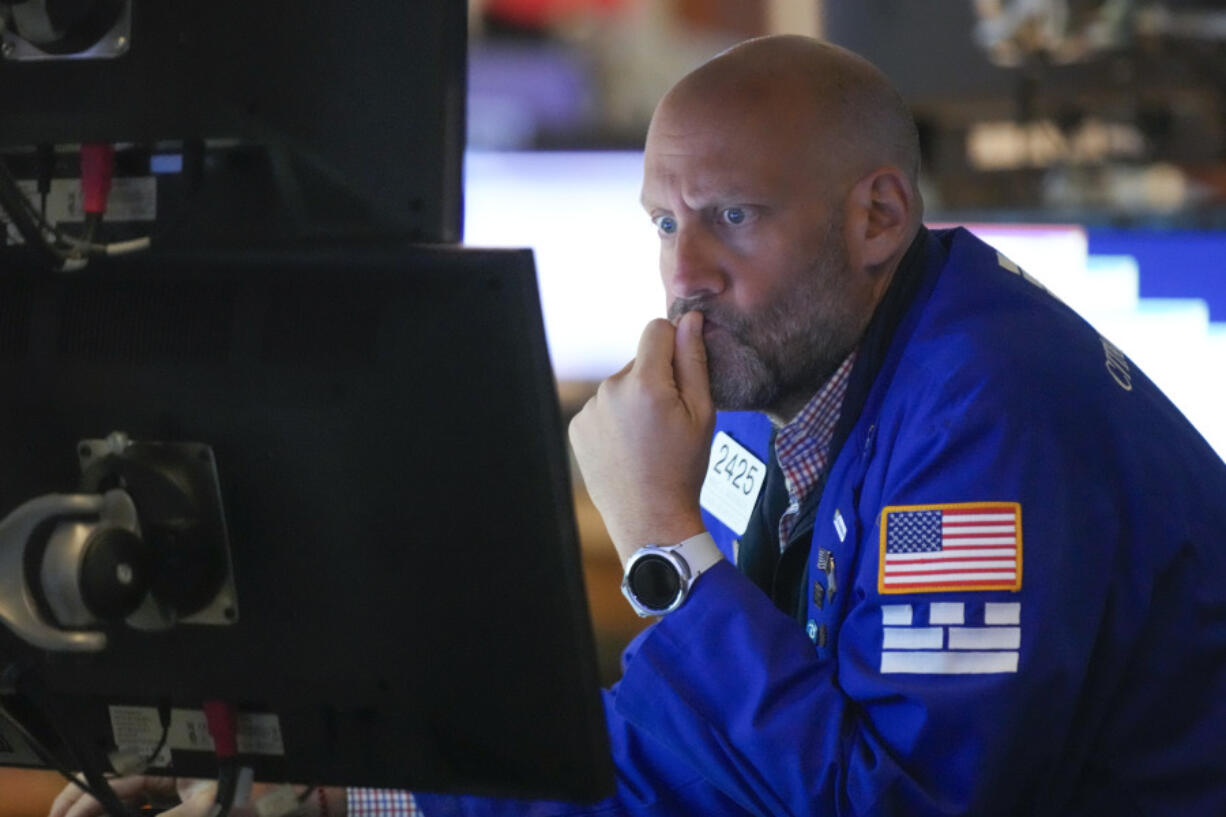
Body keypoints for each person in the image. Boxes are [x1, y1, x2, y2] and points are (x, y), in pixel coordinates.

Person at [50, 33, 1226, 817]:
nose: (685, 273)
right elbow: (707, 743)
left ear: (876, 217)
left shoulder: (982, 427)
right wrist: (343, 793)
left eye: (728, 214)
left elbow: (889, 804)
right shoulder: (784, 375)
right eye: (662, 223)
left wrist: (660, 532)